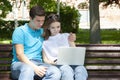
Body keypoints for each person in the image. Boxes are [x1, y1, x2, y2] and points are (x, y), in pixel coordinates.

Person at [11, 5, 62, 80]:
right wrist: (34, 67)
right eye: (38, 21)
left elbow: (57, 35)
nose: (41, 23)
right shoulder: (20, 31)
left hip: (39, 63)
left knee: (55, 72)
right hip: (21, 64)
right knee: (28, 69)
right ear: (30, 18)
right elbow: (20, 55)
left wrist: (70, 38)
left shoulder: (42, 32)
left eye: (43, 21)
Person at [42, 14, 88, 80]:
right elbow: (45, 60)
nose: (56, 29)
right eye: (53, 28)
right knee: (67, 70)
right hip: (59, 64)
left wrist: (72, 41)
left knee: (81, 69)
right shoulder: (45, 42)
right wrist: (54, 63)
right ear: (48, 28)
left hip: (72, 62)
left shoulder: (66, 36)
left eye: (58, 27)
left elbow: (75, 51)